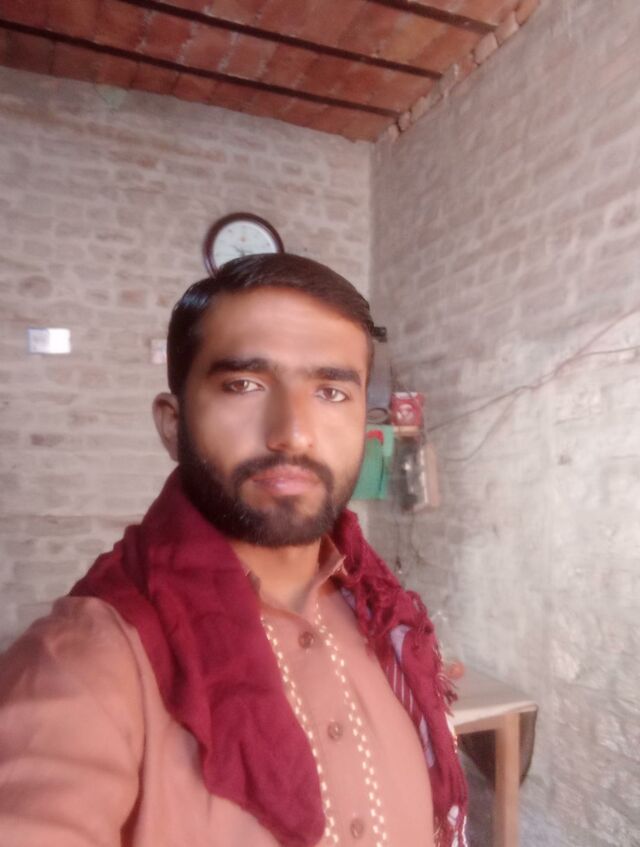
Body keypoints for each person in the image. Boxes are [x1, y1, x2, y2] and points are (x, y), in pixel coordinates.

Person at [0, 254, 467, 847]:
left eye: (331, 391)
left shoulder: (384, 616)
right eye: (244, 385)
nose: (293, 432)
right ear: (173, 425)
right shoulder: (83, 664)